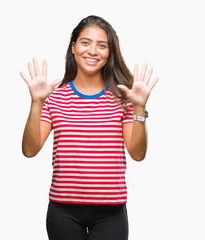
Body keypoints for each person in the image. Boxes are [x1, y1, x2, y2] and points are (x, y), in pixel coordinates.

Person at [20, 15, 158, 240]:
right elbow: (29, 150)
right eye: (86, 42)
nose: (93, 51)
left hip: (111, 213)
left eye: (102, 45)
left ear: (109, 52)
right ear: (73, 47)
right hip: (63, 211)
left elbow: (138, 154)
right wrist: (36, 103)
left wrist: (139, 108)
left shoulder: (123, 99)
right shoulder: (53, 97)